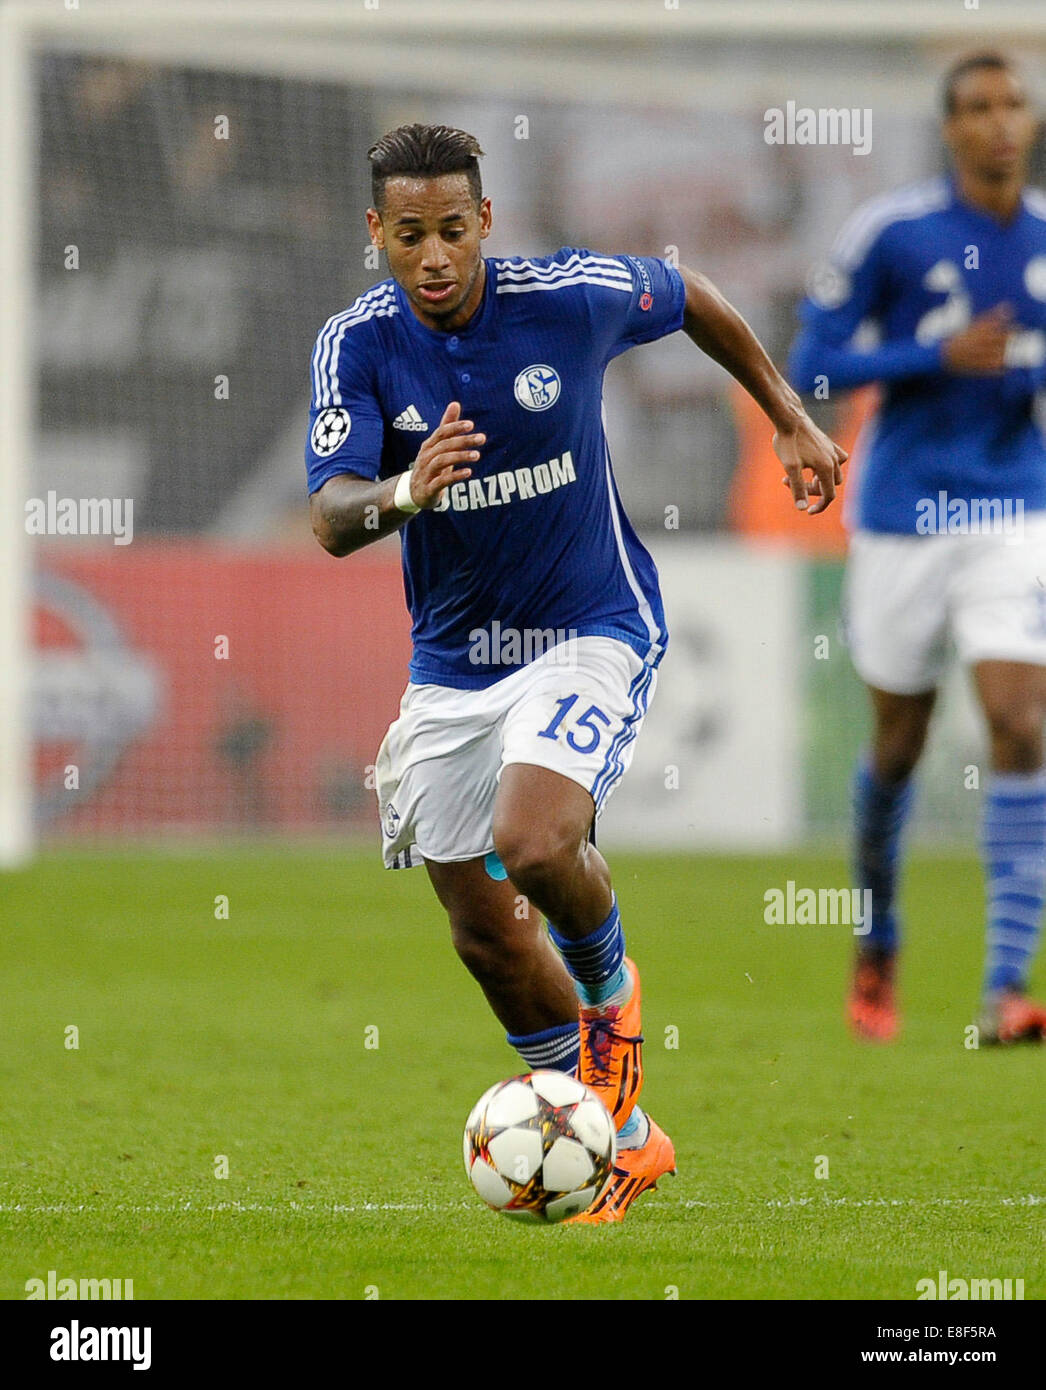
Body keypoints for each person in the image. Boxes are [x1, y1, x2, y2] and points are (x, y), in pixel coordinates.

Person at [307, 123, 844, 1220]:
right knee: (484, 935)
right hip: (454, 664)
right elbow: (328, 515)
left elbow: (691, 293)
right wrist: (406, 492)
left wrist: (788, 419)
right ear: (379, 233)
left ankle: (612, 1000)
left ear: (485, 222)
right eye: (409, 235)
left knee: (535, 841)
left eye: (453, 230)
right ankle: (623, 1136)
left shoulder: (568, 296)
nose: (435, 256)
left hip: (589, 625)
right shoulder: (355, 343)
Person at [789, 53, 1046, 1043]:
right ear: (948, 128)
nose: (996, 122)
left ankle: (1000, 989)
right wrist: (927, 357)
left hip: (1012, 509)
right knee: (894, 744)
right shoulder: (889, 232)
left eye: (1010, 104)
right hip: (899, 515)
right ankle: (875, 941)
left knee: (1018, 724)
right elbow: (811, 362)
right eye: (976, 107)